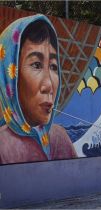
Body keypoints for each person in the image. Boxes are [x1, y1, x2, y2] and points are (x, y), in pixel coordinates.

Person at [0, 14, 77, 164]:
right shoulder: (2, 147)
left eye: (54, 67)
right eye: (36, 65)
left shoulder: (60, 138)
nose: (49, 86)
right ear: (9, 75)